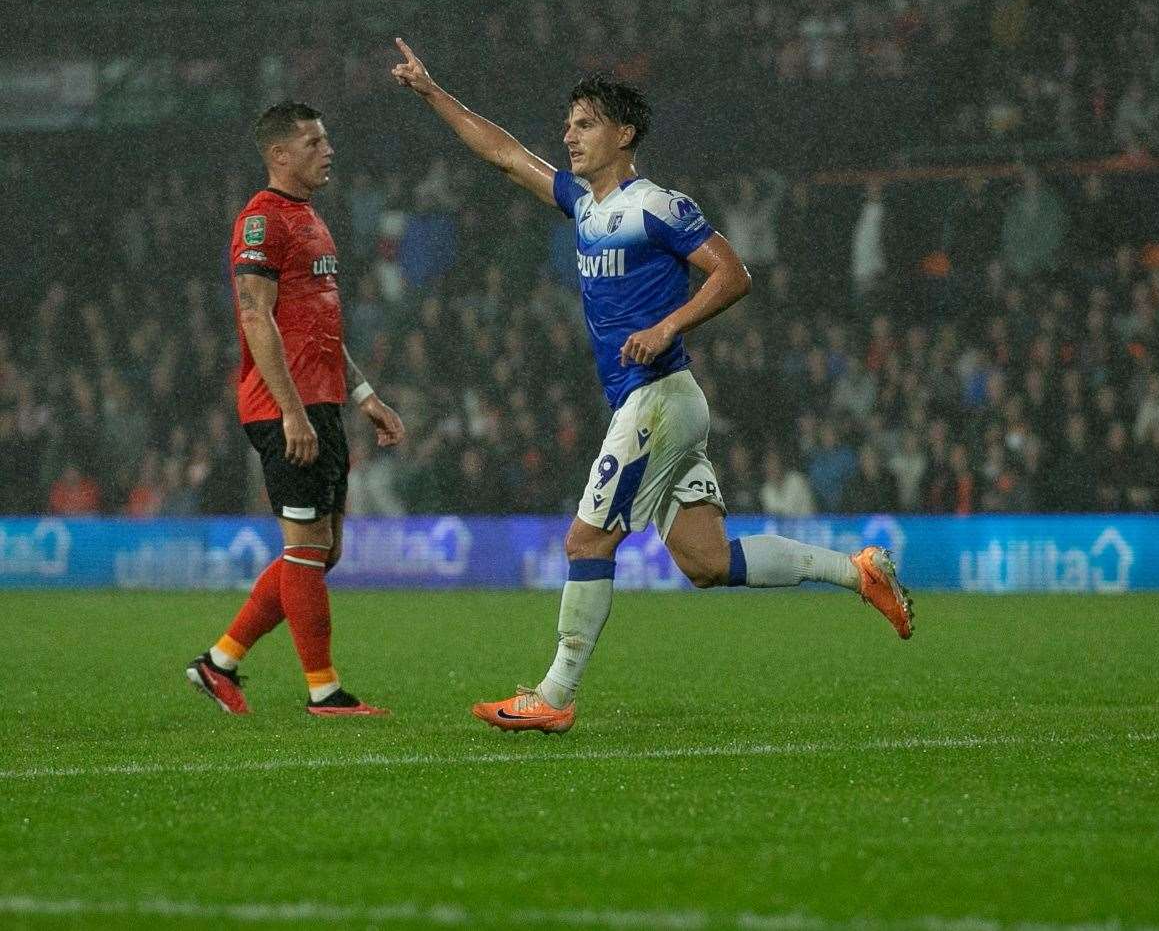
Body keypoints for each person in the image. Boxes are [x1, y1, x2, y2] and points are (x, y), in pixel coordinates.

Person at [390, 41, 913, 736]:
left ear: (623, 133)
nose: (568, 135)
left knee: (585, 541)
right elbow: (504, 153)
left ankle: (552, 693)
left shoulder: (658, 206)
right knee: (705, 560)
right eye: (568, 123)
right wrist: (431, 91)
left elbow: (733, 274)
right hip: (661, 401)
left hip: (657, 397)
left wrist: (668, 325)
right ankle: (859, 571)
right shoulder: (581, 203)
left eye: (583, 123)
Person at [186, 102, 406, 718]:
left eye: (327, 139)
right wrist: (291, 412)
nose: (327, 150)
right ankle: (324, 690)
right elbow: (255, 316)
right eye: (313, 141)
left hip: (322, 404)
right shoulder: (260, 221)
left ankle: (219, 661)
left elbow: (322, 329)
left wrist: (363, 397)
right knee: (307, 547)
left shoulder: (310, 219)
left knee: (321, 550)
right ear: (279, 154)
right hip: (285, 409)